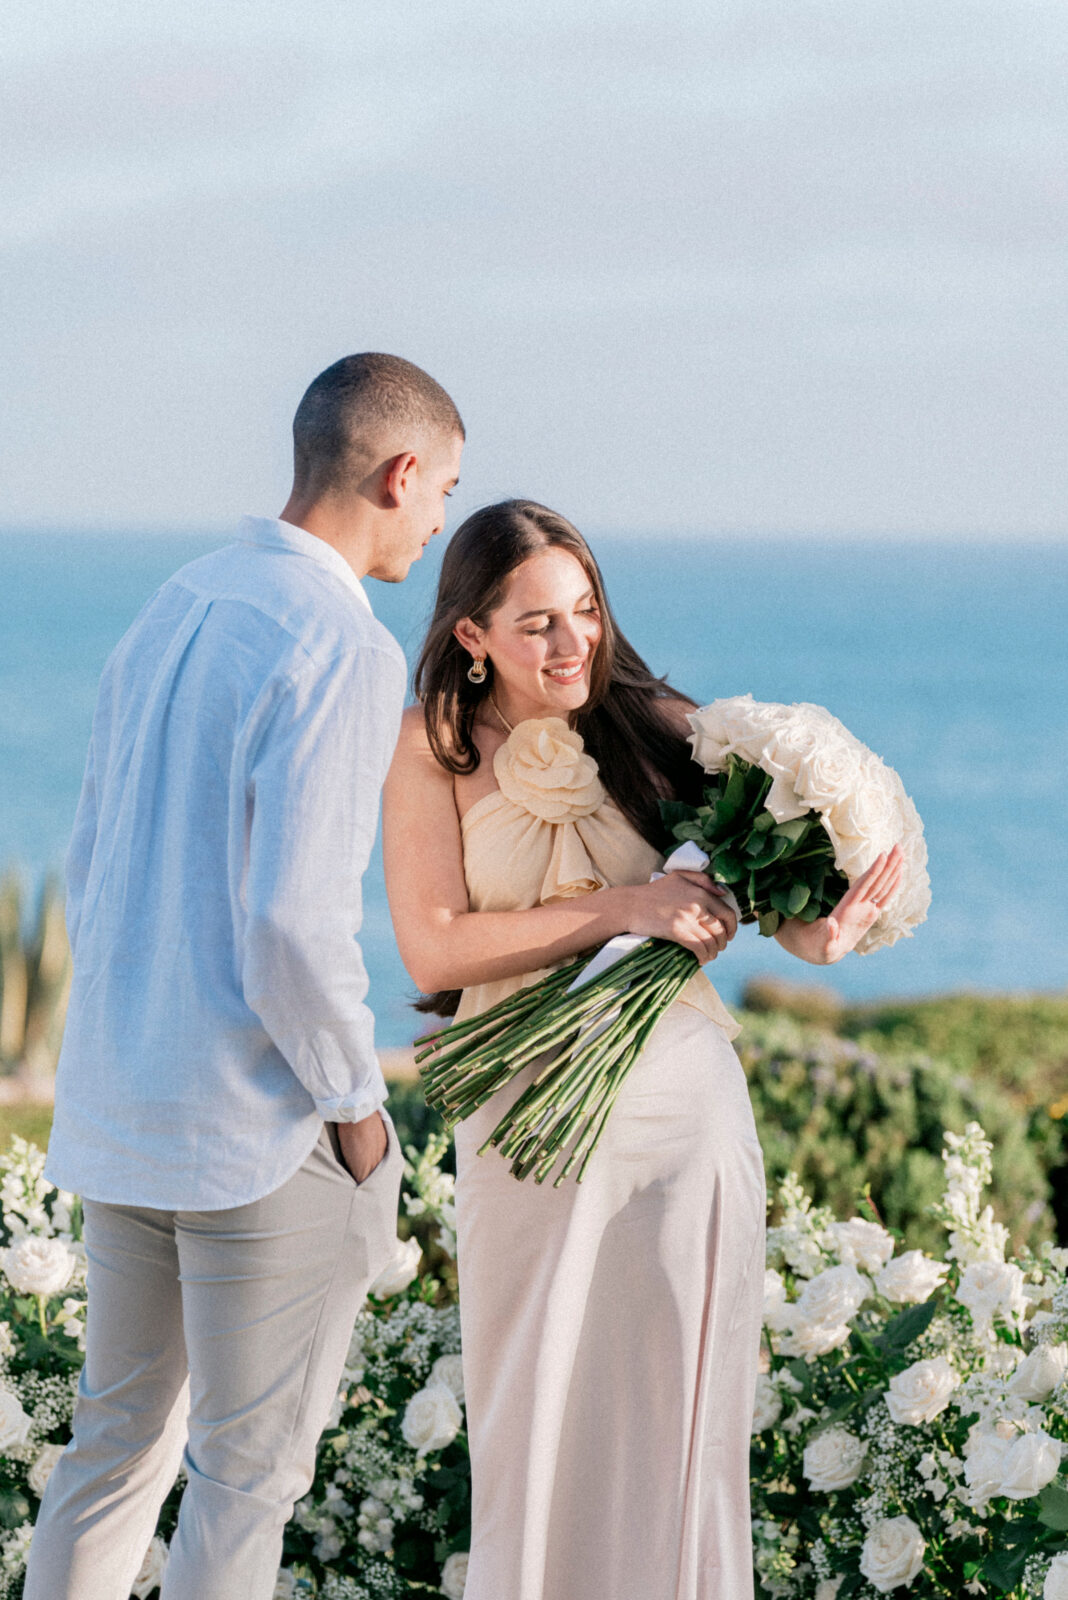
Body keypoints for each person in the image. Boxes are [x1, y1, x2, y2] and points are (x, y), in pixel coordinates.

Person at [383, 499, 904, 1600]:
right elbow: (434, 944)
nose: (574, 645)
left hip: (681, 1110)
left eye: (586, 611)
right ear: (471, 636)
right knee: (533, 1397)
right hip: (525, 1119)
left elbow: (775, 907)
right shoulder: (430, 744)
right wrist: (631, 906)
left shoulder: (654, 719)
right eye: (537, 625)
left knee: (678, 1406)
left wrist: (832, 929)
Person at [26, 354, 465, 1600]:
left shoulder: (174, 603)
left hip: (124, 1105)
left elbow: (92, 857)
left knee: (112, 1449)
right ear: (398, 472)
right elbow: (291, 920)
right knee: (245, 1479)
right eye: (443, 490)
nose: (439, 522)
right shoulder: (342, 640)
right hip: (257, 1132)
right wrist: (359, 1113)